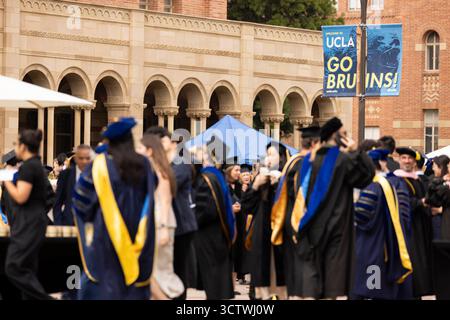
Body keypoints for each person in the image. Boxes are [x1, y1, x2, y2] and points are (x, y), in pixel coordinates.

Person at [277, 117, 375, 299]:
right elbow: (366, 177)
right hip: (336, 227)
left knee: (314, 278)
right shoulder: (342, 160)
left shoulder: (306, 161)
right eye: (345, 134)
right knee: (332, 283)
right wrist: (358, 152)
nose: (348, 137)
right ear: (337, 136)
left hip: (311, 226)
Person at [72, 118, 157, 300]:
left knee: (107, 288)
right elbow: (151, 198)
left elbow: (80, 204)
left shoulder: (99, 166)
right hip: (139, 237)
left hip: (106, 239)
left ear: (109, 142)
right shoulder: (144, 165)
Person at [352, 149, 413, 300]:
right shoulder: (393, 184)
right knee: (382, 288)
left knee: (372, 289)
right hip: (388, 245)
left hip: (372, 247)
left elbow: (361, 214)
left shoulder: (373, 187)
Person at [145, 126, 197, 300]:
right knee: (165, 269)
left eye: (164, 140)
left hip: (181, 224)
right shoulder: (160, 164)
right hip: (166, 222)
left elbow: (168, 185)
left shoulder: (180, 163)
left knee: (177, 269)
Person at [270, 125, 321, 299]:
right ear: (315, 144)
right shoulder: (304, 164)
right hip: (301, 224)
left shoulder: (293, 162)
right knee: (304, 274)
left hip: (289, 222)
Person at [3, 129, 52, 299]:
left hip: (30, 223)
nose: (15, 148)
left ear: (23, 146)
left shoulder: (30, 167)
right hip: (33, 222)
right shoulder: (33, 165)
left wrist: (6, 180)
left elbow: (20, 197)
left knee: (13, 266)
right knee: (28, 267)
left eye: (16, 144)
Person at [138, 133, 184, 300]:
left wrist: (163, 228)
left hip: (161, 224)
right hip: (155, 223)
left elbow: (165, 201)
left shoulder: (160, 172)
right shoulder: (153, 170)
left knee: (158, 273)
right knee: (151, 274)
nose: (138, 151)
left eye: (141, 148)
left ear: (150, 151)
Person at [241, 142, 289, 300]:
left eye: (272, 154)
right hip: (262, 240)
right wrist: (255, 185)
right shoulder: (262, 180)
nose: (268, 158)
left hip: (280, 241)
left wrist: (278, 185)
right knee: (260, 290)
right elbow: (246, 207)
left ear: (281, 158)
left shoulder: (287, 179)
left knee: (280, 286)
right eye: (266, 154)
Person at [191, 142, 236, 300]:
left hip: (209, 236)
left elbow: (206, 210)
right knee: (218, 280)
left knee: (213, 281)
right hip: (219, 233)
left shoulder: (206, 178)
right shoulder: (216, 175)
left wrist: (190, 218)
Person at [394, 147, 434, 298]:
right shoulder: (396, 180)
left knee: (419, 266)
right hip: (404, 228)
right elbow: (399, 202)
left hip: (419, 227)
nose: (407, 161)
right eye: (404, 158)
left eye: (410, 158)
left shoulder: (417, 179)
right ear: (398, 160)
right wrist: (420, 202)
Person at [53, 144, 92, 226]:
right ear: (76, 159)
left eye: (87, 158)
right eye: (81, 158)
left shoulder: (97, 175)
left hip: (90, 225)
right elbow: (57, 202)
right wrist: (59, 223)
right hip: (68, 223)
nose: (84, 161)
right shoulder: (65, 175)